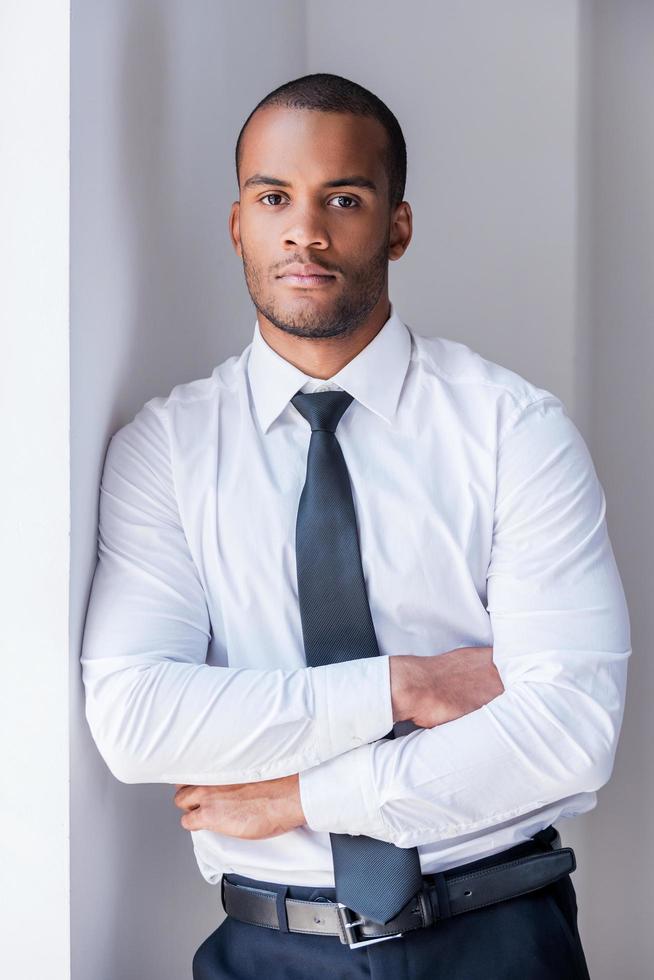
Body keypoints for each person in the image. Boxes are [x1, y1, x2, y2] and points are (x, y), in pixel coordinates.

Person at [80, 72, 631, 979]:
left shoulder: (512, 431)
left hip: (495, 939)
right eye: (273, 198)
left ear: (397, 226)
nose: (306, 229)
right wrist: (403, 686)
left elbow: (569, 733)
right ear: (238, 225)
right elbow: (137, 721)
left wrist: (300, 797)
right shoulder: (165, 451)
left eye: (344, 197)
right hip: (266, 951)